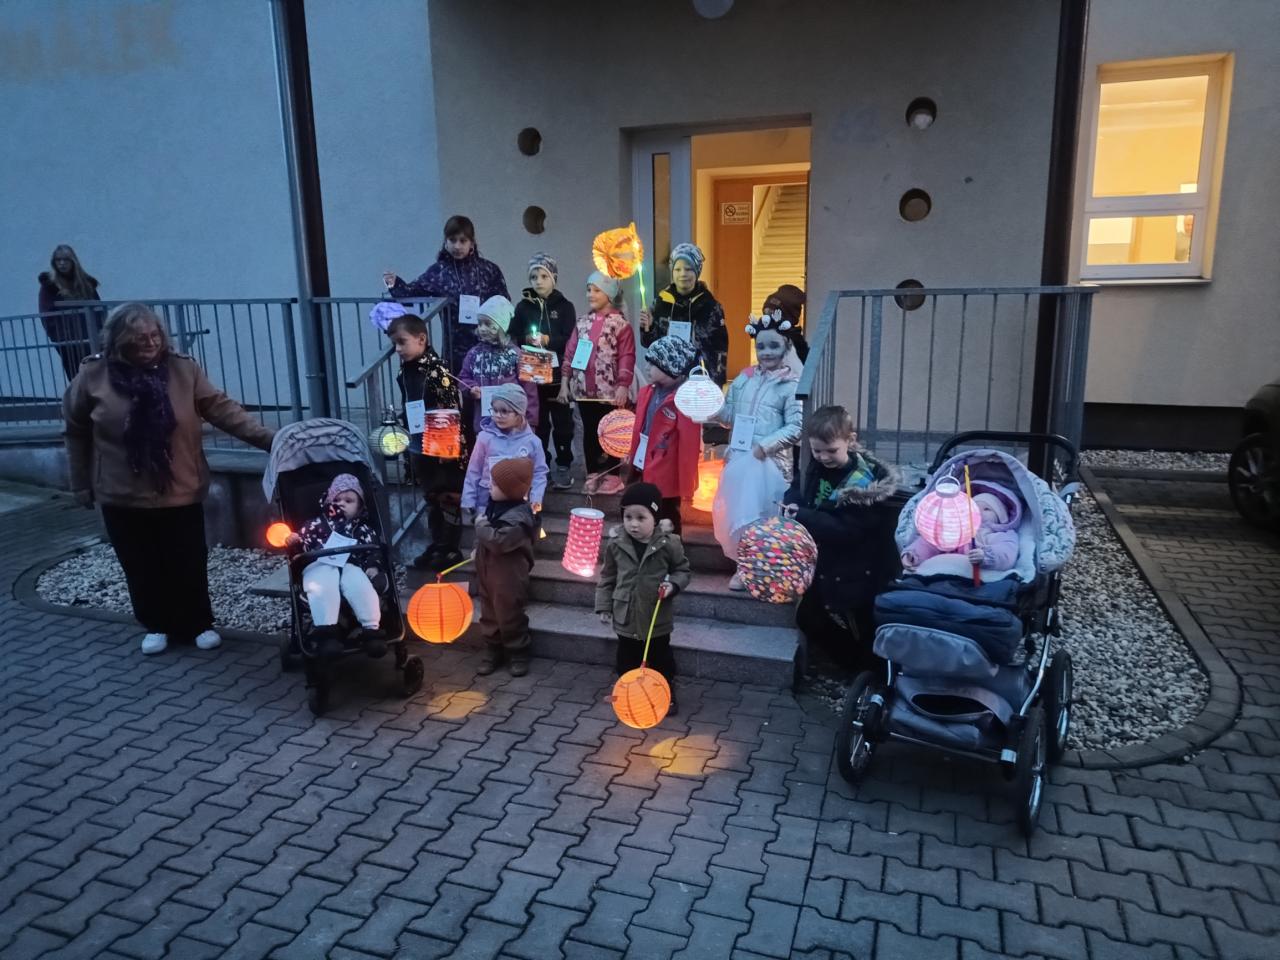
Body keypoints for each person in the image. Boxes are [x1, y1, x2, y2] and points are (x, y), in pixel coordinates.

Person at [62, 302, 275, 655]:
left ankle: (197, 623)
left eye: (155, 335)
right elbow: (75, 431)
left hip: (179, 487)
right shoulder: (93, 375)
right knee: (140, 563)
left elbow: (221, 409)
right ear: (119, 340)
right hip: (121, 491)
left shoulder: (183, 370)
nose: (150, 343)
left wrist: (270, 440)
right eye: (139, 338)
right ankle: (156, 624)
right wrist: (80, 483)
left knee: (188, 560)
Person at [782, 406, 899, 673]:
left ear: (850, 440)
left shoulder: (865, 483)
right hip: (825, 562)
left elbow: (848, 530)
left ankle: (873, 674)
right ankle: (857, 667)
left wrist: (804, 516)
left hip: (858, 568)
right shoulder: (812, 465)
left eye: (831, 450)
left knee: (864, 623)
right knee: (809, 617)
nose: (823, 457)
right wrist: (792, 503)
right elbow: (797, 487)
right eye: (816, 450)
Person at [712, 311, 804, 588]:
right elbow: (730, 416)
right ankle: (743, 566)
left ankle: (765, 569)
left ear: (786, 346)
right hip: (740, 460)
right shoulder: (744, 379)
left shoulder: (791, 385)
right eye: (761, 346)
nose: (767, 352)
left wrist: (765, 446)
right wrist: (711, 407)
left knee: (763, 516)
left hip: (769, 465)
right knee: (737, 513)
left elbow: (797, 426)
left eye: (774, 345)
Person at [596, 482, 692, 715]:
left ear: (655, 518)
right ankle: (629, 693)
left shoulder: (669, 544)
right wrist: (604, 606)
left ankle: (665, 693)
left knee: (661, 659)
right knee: (626, 659)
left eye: (641, 518)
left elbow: (682, 571)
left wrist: (673, 585)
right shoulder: (616, 544)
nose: (633, 524)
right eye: (628, 517)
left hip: (656, 616)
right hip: (626, 615)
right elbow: (608, 577)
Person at [382, 214, 510, 375]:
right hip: (455, 351)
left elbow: (504, 304)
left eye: (463, 241)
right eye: (452, 240)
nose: (457, 246)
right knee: (456, 387)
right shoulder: (438, 272)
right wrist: (394, 283)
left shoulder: (489, 270)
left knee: (487, 388)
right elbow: (410, 294)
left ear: (472, 243)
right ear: (445, 242)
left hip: (489, 345)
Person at [387, 311, 465, 571]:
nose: (398, 349)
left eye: (402, 342)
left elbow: (450, 405)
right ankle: (437, 542)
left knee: (448, 495)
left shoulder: (437, 369)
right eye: (395, 344)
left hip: (441, 443)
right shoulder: (406, 368)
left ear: (421, 339)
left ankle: (450, 547)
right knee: (431, 495)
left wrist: (447, 449)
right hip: (417, 440)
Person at [286, 473, 385, 658]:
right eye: (337, 500)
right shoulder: (316, 524)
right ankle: (327, 634)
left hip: (350, 566)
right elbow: (302, 545)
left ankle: (371, 631)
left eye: (349, 501)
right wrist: (295, 541)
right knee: (322, 586)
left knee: (361, 586)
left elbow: (373, 551)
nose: (342, 504)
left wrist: (373, 566)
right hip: (319, 564)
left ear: (360, 506)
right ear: (328, 502)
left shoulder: (363, 529)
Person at [557, 272, 635, 495]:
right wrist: (565, 383)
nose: (590, 294)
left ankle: (613, 475)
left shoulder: (620, 324)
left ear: (609, 294)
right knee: (590, 432)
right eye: (588, 289)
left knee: (611, 431)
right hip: (584, 391)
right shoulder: (582, 323)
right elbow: (570, 352)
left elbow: (627, 356)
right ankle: (592, 473)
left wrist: (623, 385)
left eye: (596, 290)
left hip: (609, 392)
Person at [515, 252, 577, 490]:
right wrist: (527, 339)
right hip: (533, 374)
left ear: (554, 278)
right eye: (534, 277)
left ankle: (564, 463)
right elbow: (516, 336)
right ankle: (542, 465)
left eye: (543, 276)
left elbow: (570, 338)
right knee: (538, 422)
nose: (538, 281)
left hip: (558, 375)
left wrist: (548, 339)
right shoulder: (523, 307)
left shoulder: (565, 307)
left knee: (563, 423)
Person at [626, 335, 700, 534]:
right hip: (644, 462)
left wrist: (687, 483)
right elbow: (640, 427)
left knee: (668, 517)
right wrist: (633, 453)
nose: (647, 368)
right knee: (647, 511)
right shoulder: (647, 392)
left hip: (667, 469)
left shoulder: (684, 400)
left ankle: (672, 550)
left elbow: (689, 444)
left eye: (653, 364)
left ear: (669, 366)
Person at [472, 456, 538, 677]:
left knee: (510, 611)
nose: (490, 486)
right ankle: (493, 648)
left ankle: (517, 650)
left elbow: (499, 541)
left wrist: (480, 526)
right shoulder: (495, 507)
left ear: (510, 491)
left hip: (509, 575)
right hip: (487, 570)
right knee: (489, 611)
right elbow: (485, 538)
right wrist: (477, 548)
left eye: (495, 484)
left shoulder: (519, 518)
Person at [639, 243, 728, 386]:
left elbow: (720, 349)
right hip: (666, 380)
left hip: (698, 381)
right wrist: (647, 328)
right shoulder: (661, 303)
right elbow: (649, 344)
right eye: (677, 269)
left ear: (697, 271)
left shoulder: (710, 306)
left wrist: (717, 382)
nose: (683, 274)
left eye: (688, 269)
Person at [462, 382, 548, 517]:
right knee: (486, 530)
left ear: (519, 413)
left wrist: (536, 498)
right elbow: (474, 470)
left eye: (504, 411)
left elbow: (539, 472)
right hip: (486, 505)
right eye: (495, 410)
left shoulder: (533, 442)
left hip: (518, 506)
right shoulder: (484, 438)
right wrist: (468, 499)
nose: (498, 415)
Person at [458, 295, 539, 437]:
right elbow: (463, 377)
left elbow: (530, 390)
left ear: (502, 326)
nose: (482, 329)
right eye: (480, 324)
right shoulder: (474, 354)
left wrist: (530, 422)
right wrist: (471, 388)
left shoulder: (517, 354)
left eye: (488, 324)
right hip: (484, 425)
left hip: (513, 426)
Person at [901, 485, 1021, 575]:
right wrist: (914, 554)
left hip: (980, 578)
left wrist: (986, 557)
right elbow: (932, 543)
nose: (979, 512)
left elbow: (1006, 552)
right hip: (945, 572)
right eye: (974, 507)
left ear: (1001, 517)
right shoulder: (957, 529)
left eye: (987, 509)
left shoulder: (1002, 535)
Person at [38, 244, 101, 381]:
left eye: (65, 259)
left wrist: (101, 334)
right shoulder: (50, 286)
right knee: (76, 377)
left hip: (90, 339)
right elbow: (47, 315)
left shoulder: (86, 284)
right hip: (68, 342)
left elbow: (97, 309)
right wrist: (60, 337)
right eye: (58, 260)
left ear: (73, 261)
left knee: (97, 376)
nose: (62, 263)